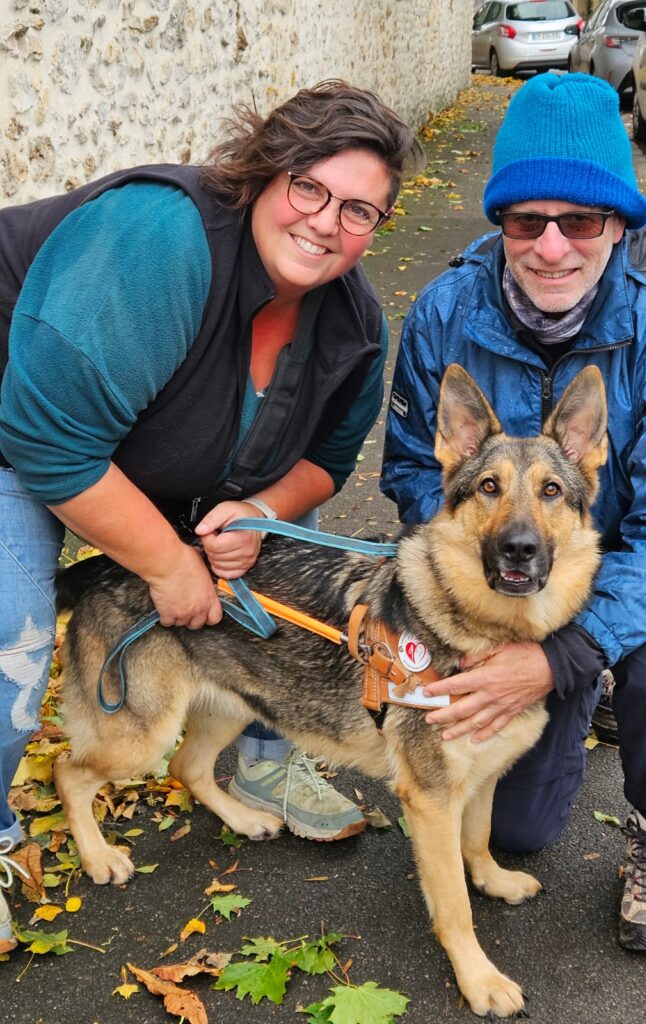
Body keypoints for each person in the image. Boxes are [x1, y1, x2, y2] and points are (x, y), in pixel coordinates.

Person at [0, 80, 422, 951]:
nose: (325, 223)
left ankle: (261, 761)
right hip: (23, 425)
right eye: (308, 187)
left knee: (278, 580)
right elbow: (49, 444)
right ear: (265, 170)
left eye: (358, 210)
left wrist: (260, 511)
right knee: (15, 632)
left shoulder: (354, 326)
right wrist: (168, 564)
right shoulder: (163, 241)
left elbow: (326, 463)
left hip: (145, 445)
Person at [381, 72, 646, 955]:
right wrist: (471, 590)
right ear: (501, 223)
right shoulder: (444, 312)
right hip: (507, 563)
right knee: (515, 832)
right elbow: (414, 472)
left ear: (618, 223)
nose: (551, 247)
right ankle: (586, 687)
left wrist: (563, 651)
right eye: (526, 221)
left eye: (580, 221)